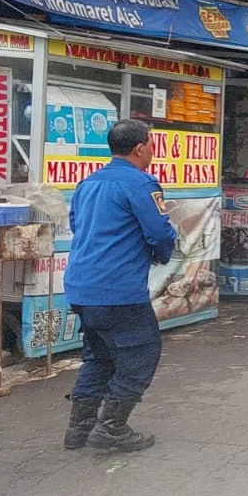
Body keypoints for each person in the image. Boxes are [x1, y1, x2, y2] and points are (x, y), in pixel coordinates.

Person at [62, 119, 177, 453]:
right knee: (142, 353)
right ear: (140, 148)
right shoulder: (141, 184)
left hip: (81, 287)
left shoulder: (88, 183)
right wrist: (160, 254)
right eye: (152, 145)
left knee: (99, 356)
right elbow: (159, 233)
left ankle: (79, 429)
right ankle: (111, 427)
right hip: (117, 289)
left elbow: (75, 224)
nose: (153, 151)